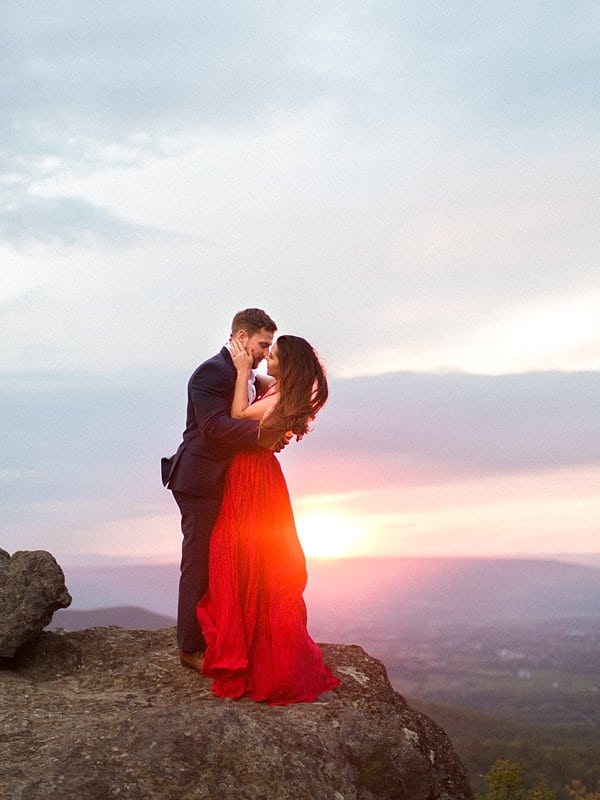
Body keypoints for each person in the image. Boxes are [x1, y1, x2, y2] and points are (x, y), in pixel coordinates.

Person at [196, 334, 341, 705]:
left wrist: (244, 367)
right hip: (254, 473)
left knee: (247, 553)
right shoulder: (279, 389)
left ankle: (251, 652)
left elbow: (239, 416)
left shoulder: (280, 397)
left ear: (285, 364)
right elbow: (261, 384)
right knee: (247, 552)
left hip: (252, 475)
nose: (267, 357)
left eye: (272, 354)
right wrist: (245, 366)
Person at [161, 308, 289, 675]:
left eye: (269, 347)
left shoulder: (247, 374)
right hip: (200, 482)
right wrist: (265, 437)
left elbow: (280, 391)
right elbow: (216, 428)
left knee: (227, 565)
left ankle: (221, 635)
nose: (267, 352)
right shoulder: (211, 372)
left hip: (230, 483)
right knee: (199, 564)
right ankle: (189, 648)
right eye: (263, 344)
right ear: (242, 336)